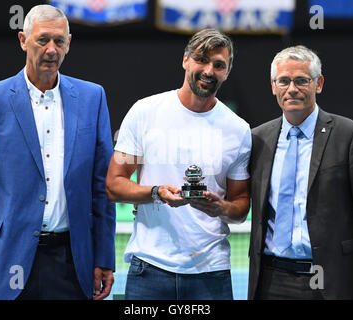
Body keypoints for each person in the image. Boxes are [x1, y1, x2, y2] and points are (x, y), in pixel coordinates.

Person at [0, 4, 115, 300]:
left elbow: (101, 187)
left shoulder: (93, 97)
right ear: (22, 40)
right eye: (43, 40)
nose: (52, 49)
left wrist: (104, 258)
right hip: (7, 259)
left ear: (69, 44)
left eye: (60, 41)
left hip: (73, 262)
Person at [106, 28, 251, 300]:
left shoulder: (238, 130)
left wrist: (221, 207)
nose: (209, 70)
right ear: (185, 60)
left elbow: (241, 206)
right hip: (150, 268)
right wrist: (155, 192)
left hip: (211, 272)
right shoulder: (144, 113)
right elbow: (114, 185)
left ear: (227, 72)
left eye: (218, 65)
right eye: (201, 60)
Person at [248, 45, 353, 300]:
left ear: (318, 83)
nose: (292, 89)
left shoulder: (350, 135)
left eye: (302, 80)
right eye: (284, 81)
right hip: (270, 281)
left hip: (332, 280)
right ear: (273, 86)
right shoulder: (258, 138)